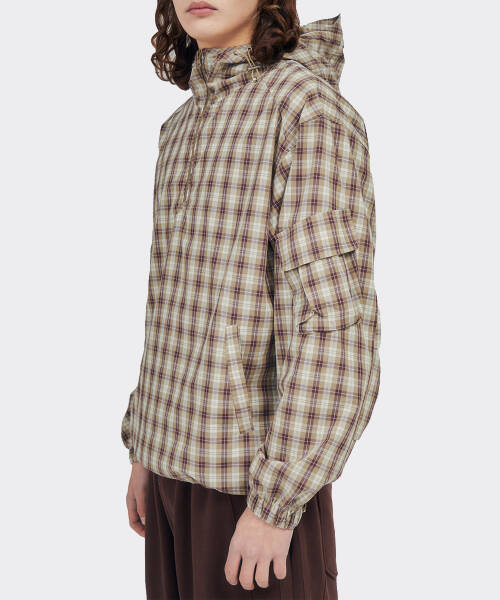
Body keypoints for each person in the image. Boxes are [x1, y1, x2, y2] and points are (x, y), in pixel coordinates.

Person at [121, 1, 381, 598]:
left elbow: (334, 329)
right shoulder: (181, 127)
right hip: (171, 476)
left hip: (253, 491)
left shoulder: (306, 110)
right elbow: (172, 306)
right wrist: (146, 447)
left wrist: (275, 505)